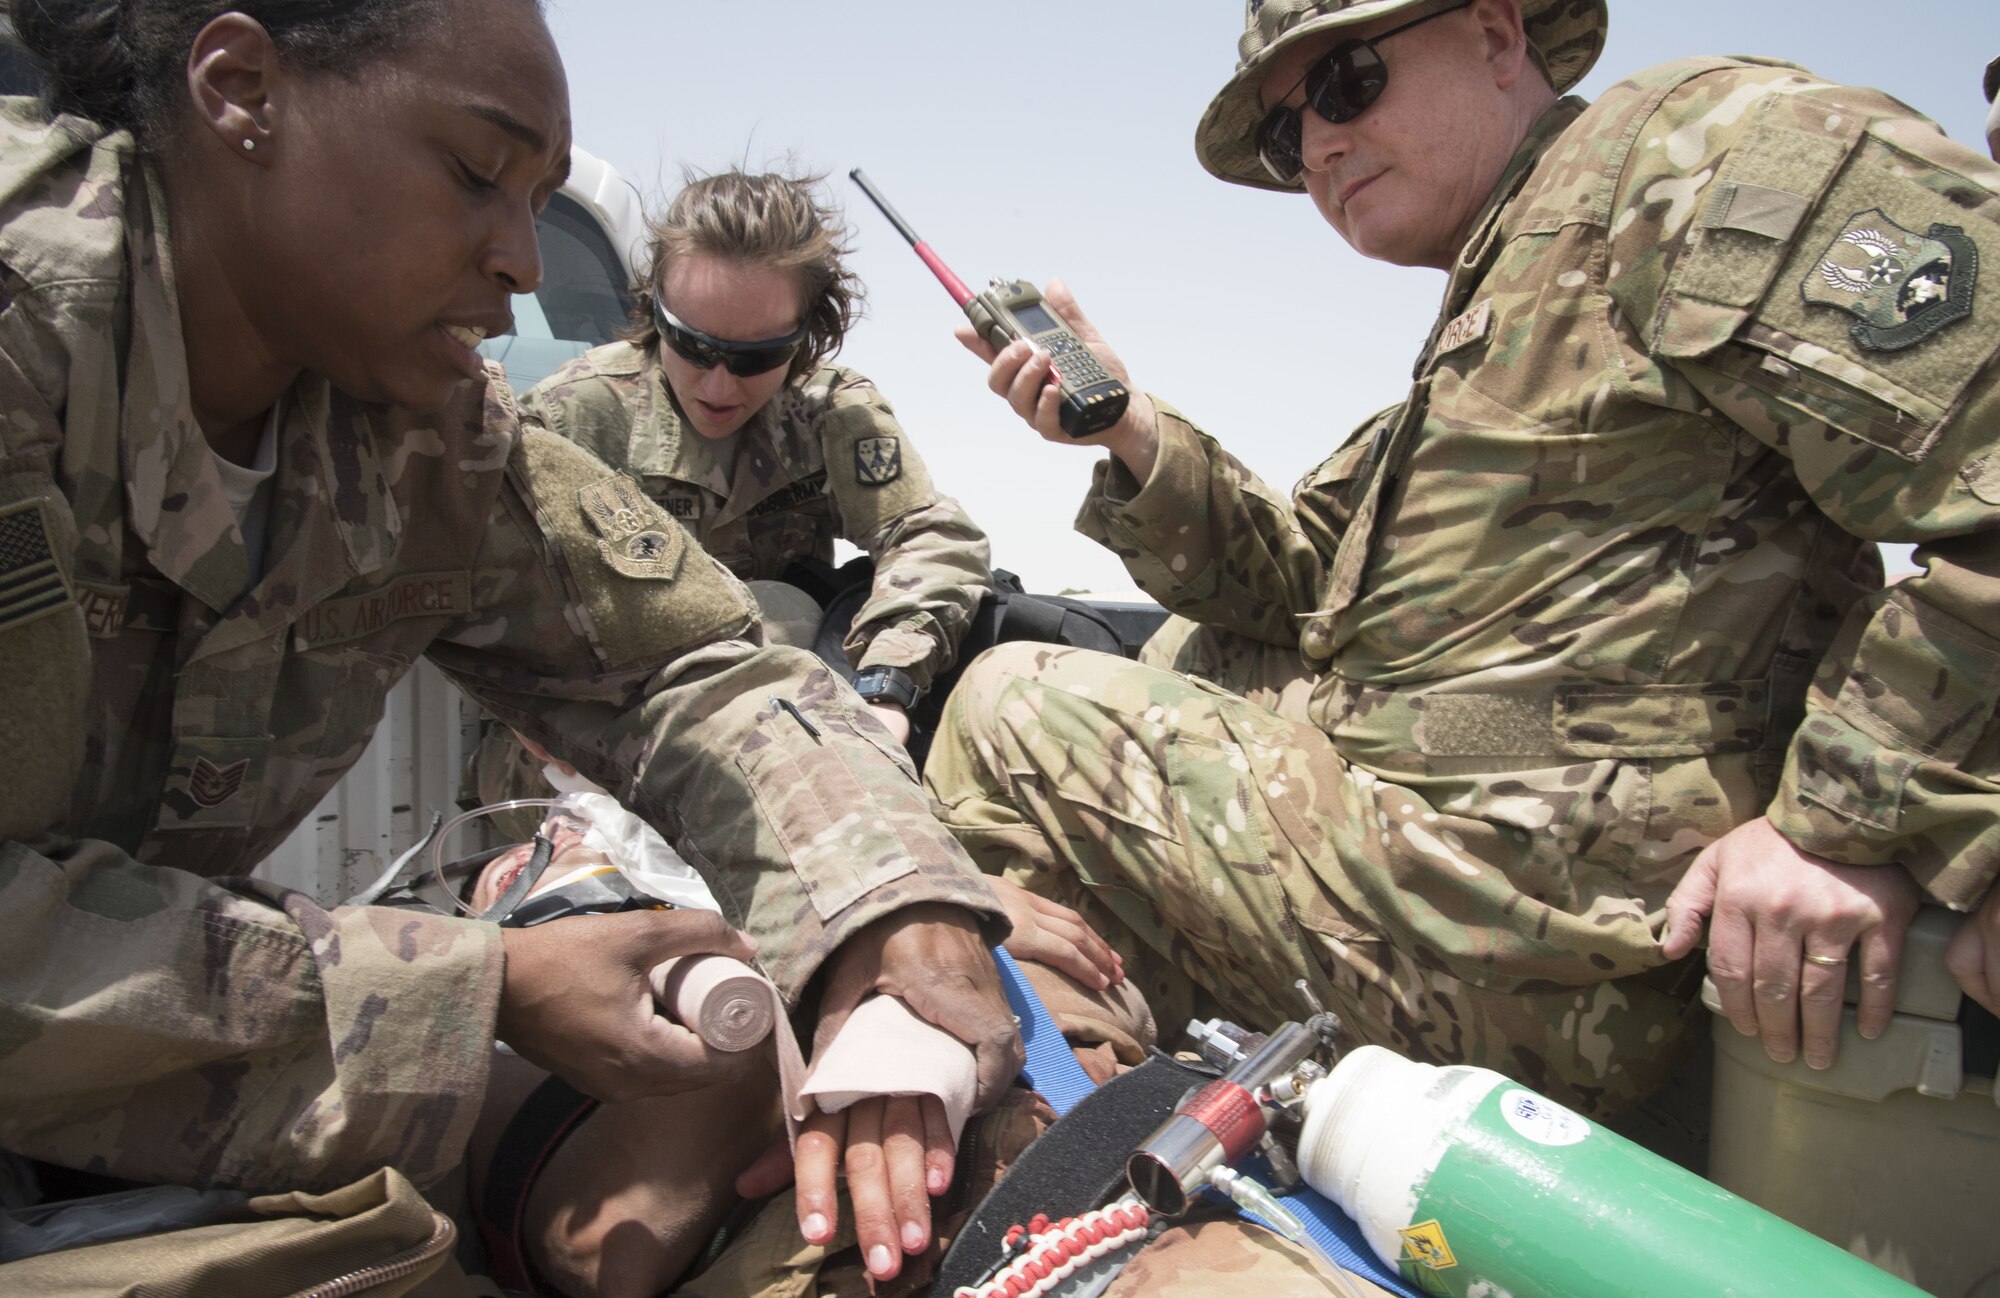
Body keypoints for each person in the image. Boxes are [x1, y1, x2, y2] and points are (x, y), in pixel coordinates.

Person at [0, 1, 1017, 1291]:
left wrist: (893, 901)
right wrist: (471, 990)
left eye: (540, 197)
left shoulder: (415, 430)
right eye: (477, 174)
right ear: (240, 87)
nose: (527, 264)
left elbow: (688, 668)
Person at [924, 0, 2000, 1119]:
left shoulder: (1693, 154)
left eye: (1344, 82)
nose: (1321, 146)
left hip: (1544, 935)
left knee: (1009, 708)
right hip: (1475, 865)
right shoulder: (1505, 291)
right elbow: (1299, 584)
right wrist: (1128, 433)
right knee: (1201, 647)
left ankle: (1028, 1136)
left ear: (1494, 37)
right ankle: (1072, 1092)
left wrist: (1837, 820)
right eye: (1290, 137)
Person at [467, 166, 992, 820]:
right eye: (691, 345)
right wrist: (536, 706)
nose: (719, 387)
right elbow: (474, 588)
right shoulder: (572, 418)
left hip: (787, 729)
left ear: (807, 334)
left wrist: (886, 685)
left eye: (754, 358)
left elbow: (932, 536)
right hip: (580, 751)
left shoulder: (828, 413)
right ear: (654, 308)